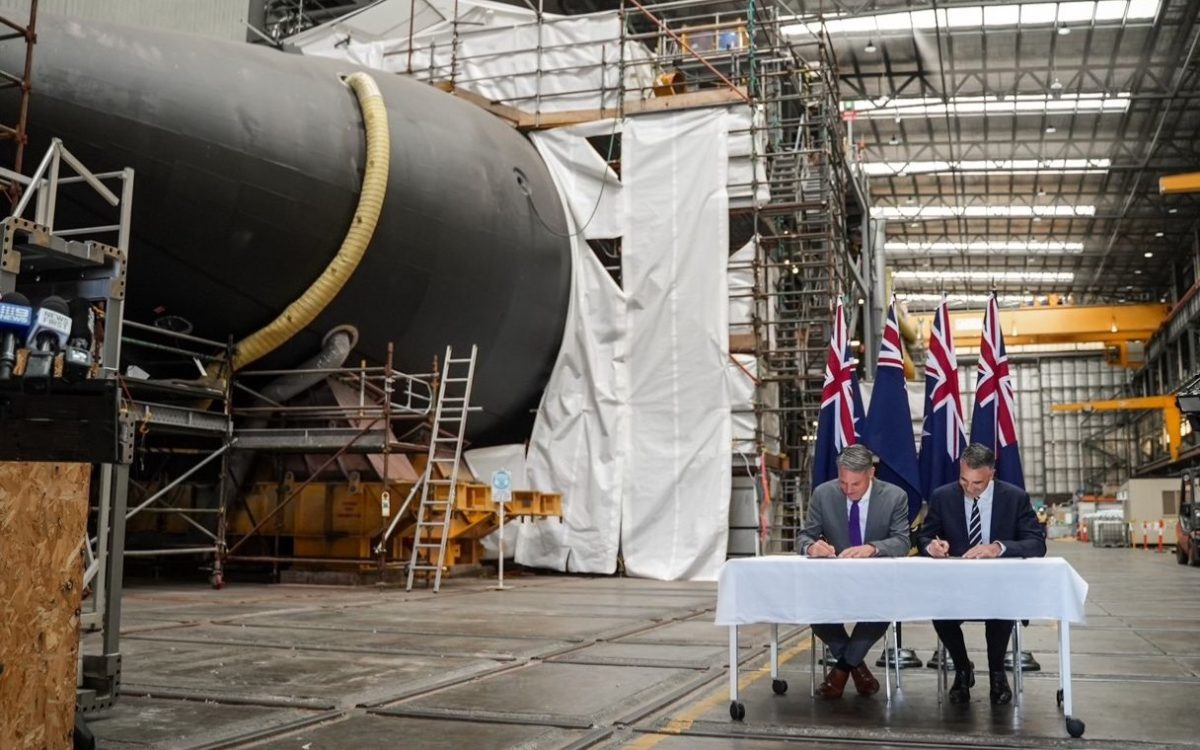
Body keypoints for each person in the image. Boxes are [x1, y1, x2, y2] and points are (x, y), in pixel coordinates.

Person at [917, 443, 1046, 706]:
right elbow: (924, 535)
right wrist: (932, 545)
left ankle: (997, 673)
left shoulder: (1015, 497)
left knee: (1000, 610)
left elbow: (1037, 543)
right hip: (955, 585)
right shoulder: (943, 496)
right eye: (963, 480)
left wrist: (998, 547)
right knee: (940, 612)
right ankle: (963, 669)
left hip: (997, 585)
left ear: (992, 474)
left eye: (977, 483)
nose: (969, 488)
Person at [796, 444, 911, 699]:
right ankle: (857, 668)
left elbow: (903, 542)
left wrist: (872, 548)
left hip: (876, 582)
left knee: (880, 610)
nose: (848, 490)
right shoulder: (823, 494)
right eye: (843, 483)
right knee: (816, 610)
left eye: (855, 484)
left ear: (871, 473)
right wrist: (811, 546)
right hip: (834, 581)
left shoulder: (895, 496)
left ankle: (841, 671)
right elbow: (804, 536)